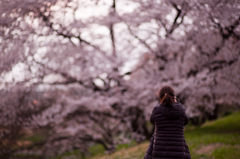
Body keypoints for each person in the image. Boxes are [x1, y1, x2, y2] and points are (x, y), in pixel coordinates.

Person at [144, 85, 191, 159]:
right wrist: (177, 103)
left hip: (160, 150)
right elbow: (186, 121)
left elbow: (152, 120)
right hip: (178, 149)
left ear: (160, 97)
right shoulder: (181, 109)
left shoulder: (156, 110)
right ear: (174, 96)